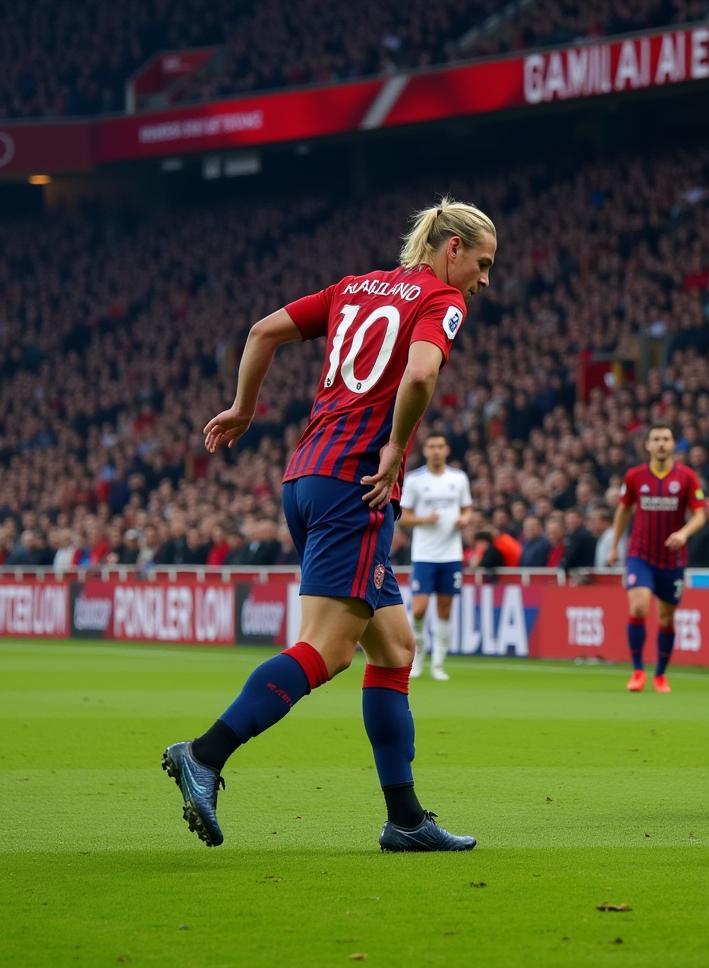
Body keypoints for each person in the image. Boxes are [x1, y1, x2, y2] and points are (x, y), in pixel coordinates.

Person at [162, 197, 496, 853]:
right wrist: (397, 446)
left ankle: (405, 820)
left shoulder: (352, 289)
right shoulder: (438, 301)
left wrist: (242, 408)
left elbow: (263, 331)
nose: (484, 280)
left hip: (306, 478)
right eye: (482, 264)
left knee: (395, 649)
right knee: (329, 647)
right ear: (450, 247)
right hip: (357, 487)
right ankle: (205, 753)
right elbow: (422, 373)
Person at [608, 424, 706, 693]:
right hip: (640, 555)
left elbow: (700, 515)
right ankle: (638, 671)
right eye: (656, 439)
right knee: (638, 607)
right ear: (647, 446)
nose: (661, 443)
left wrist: (684, 533)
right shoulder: (634, 477)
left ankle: (660, 675)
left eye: (666, 439)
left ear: (673, 444)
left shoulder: (687, 477)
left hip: (672, 559)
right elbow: (623, 511)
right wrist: (614, 546)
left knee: (666, 618)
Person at [401, 433, 472, 681]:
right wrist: (424, 519)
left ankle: (439, 664)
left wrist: (465, 519)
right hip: (424, 554)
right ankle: (417, 657)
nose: (436, 451)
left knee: (444, 609)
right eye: (431, 446)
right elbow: (404, 516)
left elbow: (467, 508)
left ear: (447, 449)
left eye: (440, 446)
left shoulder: (459, 478)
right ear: (426, 450)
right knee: (419, 609)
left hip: (451, 553)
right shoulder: (414, 480)